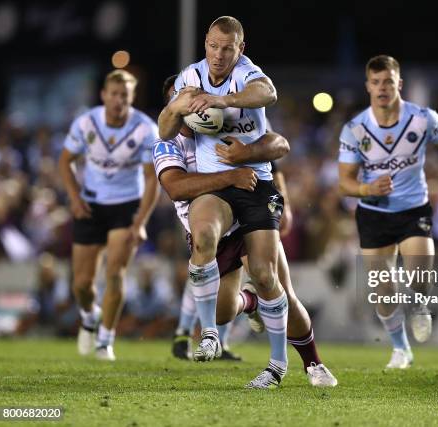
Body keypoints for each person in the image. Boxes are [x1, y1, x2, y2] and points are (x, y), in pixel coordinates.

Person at [157, 75, 337, 387]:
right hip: (210, 233)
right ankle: (250, 302)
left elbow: (278, 145)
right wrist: (230, 177)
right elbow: (176, 187)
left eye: (191, 94)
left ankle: (314, 365)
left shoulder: (225, 124)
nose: (189, 102)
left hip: (248, 217)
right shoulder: (166, 143)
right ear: (170, 107)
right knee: (222, 312)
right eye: (179, 97)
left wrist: (253, 160)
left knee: (275, 283)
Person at [158, 16, 289, 388]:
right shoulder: (189, 77)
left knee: (265, 275)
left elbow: (268, 93)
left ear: (240, 49)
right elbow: (165, 130)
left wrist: (221, 100)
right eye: (213, 46)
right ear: (205, 44)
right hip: (215, 187)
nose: (218, 55)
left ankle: (277, 365)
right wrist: (176, 108)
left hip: (255, 180)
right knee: (203, 238)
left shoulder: (247, 73)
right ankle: (210, 334)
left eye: (227, 48)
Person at [338, 55, 438, 369]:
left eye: (388, 82)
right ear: (368, 85)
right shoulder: (355, 129)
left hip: (413, 209)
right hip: (374, 213)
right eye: (376, 82)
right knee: (384, 289)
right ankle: (400, 349)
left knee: (419, 275)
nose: (382, 88)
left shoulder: (423, 119)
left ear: (399, 84)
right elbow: (345, 183)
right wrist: (368, 189)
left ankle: (420, 303)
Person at [58, 69, 159, 361]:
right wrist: (74, 199)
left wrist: (140, 222)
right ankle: (90, 316)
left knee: (115, 273)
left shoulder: (144, 128)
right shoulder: (86, 123)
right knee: (81, 285)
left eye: (124, 96)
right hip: (90, 205)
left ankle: (105, 340)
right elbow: (65, 161)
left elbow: (152, 178)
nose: (118, 101)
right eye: (114, 94)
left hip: (126, 206)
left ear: (132, 98)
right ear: (104, 95)